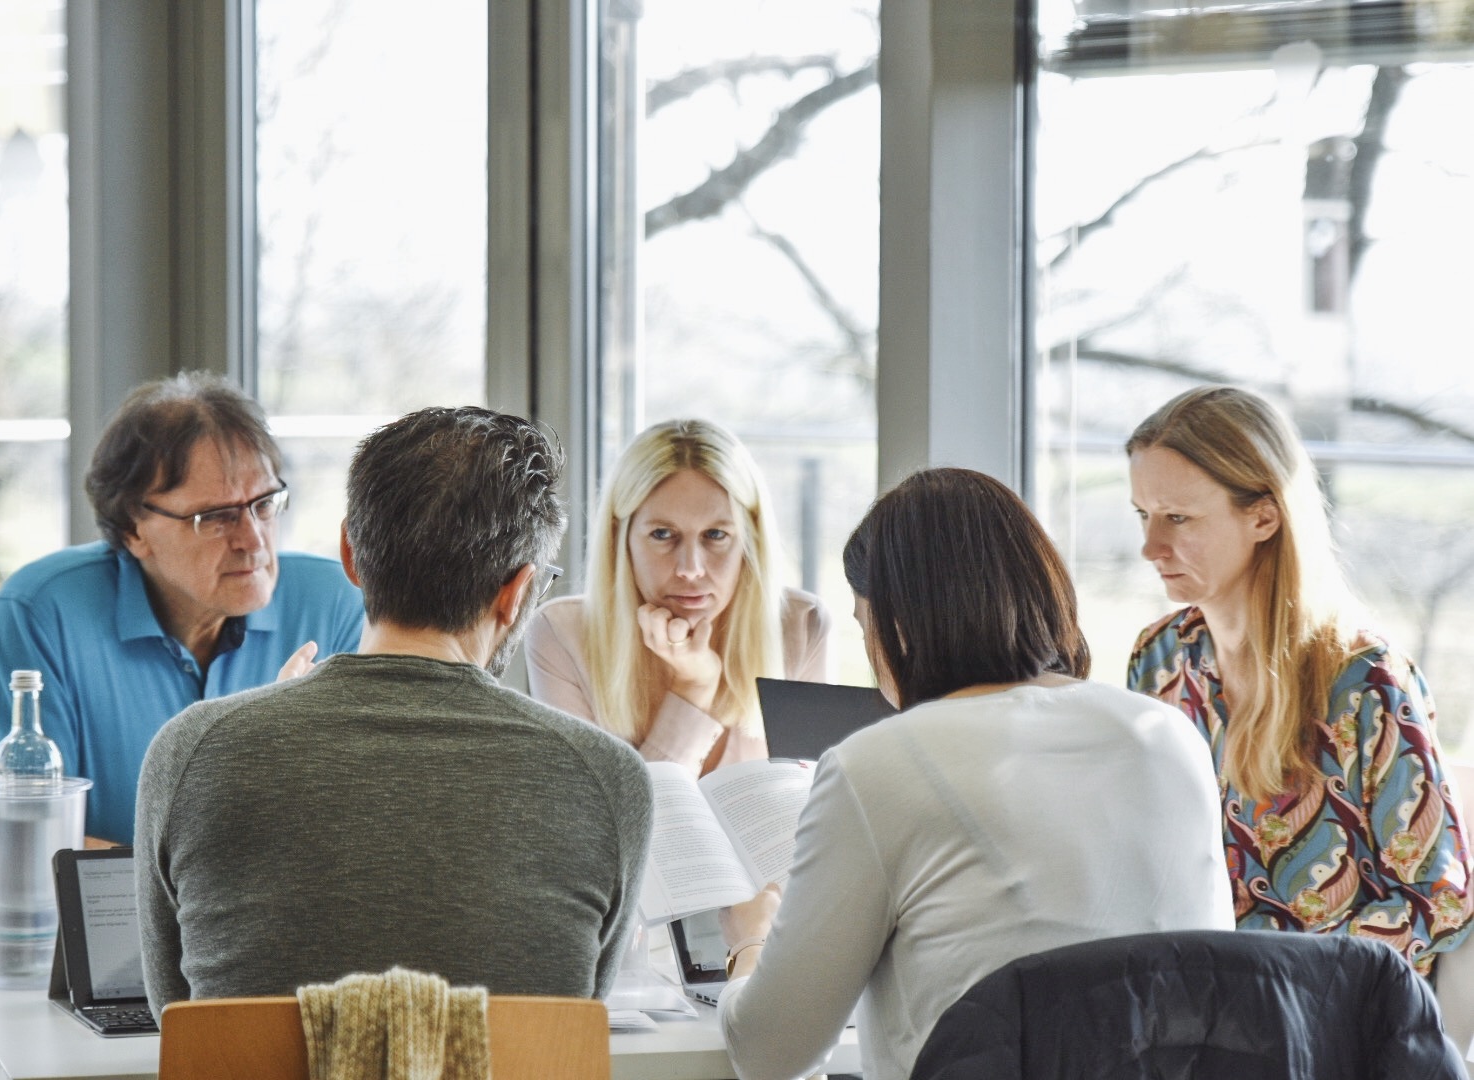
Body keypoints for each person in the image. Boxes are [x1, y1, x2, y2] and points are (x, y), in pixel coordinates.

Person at [716, 468, 1234, 1080]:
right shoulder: (1169, 735)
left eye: (864, 625)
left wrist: (750, 941)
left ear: (898, 623)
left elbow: (770, 1054)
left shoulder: (878, 763)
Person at [134, 406, 653, 1012]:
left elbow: (176, 1020)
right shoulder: (609, 779)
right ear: (515, 594)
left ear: (350, 554)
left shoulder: (190, 750)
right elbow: (580, 1016)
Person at [0, 373, 364, 895]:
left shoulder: (335, 601)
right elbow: (18, 858)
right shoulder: (41, 611)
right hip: (42, 947)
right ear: (134, 528)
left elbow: (355, 832)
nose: (253, 541)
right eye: (216, 517)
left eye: (264, 504)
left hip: (250, 948)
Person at [1126, 384, 1474, 976]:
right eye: (1143, 515)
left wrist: (1276, 978)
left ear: (1263, 515)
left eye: (1178, 518)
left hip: (1334, 1010)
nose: (1150, 546)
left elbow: (1438, 900)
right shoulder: (1159, 660)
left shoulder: (1366, 681)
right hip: (1199, 999)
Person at [525, 418, 828, 774]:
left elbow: (809, 812)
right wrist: (693, 688)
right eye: (662, 534)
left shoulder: (800, 626)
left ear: (750, 541)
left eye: (715, 535)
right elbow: (607, 826)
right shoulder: (562, 634)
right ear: (620, 538)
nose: (690, 568)